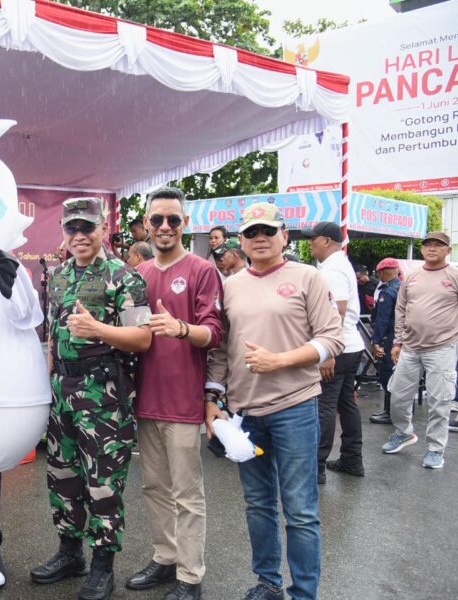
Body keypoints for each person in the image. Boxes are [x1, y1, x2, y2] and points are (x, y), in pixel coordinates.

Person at [205, 202, 343, 600]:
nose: (260, 238)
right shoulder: (230, 286)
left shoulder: (308, 277)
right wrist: (212, 399)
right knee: (258, 505)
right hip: (245, 414)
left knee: (300, 510)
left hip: (295, 407)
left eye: (268, 230)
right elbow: (221, 351)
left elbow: (331, 338)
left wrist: (280, 360)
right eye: (251, 232)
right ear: (241, 240)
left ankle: (304, 593)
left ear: (284, 235)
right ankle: (268, 583)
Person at [31, 197, 151, 600]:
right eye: (72, 228)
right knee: (62, 476)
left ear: (103, 228)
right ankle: (70, 553)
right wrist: (49, 375)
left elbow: (143, 338)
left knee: (102, 483)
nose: (79, 235)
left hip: (103, 396)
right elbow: (53, 333)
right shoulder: (59, 276)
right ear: (63, 232)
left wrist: (98, 329)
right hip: (63, 392)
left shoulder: (124, 277)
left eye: (87, 227)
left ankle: (103, 565)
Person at [126, 188, 222, 600]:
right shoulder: (139, 273)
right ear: (147, 224)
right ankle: (165, 558)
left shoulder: (202, 270)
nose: (165, 227)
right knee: (154, 488)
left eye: (173, 219)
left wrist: (180, 328)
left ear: (185, 224)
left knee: (187, 494)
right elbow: (130, 333)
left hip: (183, 402)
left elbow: (214, 333)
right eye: (157, 219)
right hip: (145, 400)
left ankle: (190, 575)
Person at [382, 231, 458, 469]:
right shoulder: (412, 276)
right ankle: (403, 432)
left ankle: (435, 449)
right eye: (428, 245)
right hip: (410, 347)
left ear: (448, 250)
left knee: (439, 401)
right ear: (422, 249)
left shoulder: (454, 275)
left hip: (442, 348)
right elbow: (401, 309)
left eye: (438, 245)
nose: (432, 248)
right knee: (398, 395)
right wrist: (397, 342)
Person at [302, 221, 365, 482]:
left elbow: (336, 310)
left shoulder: (333, 269)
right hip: (350, 345)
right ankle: (352, 459)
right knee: (345, 403)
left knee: (324, 406)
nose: (310, 243)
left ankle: (316, 466)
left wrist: (327, 352)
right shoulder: (338, 264)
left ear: (327, 241)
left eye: (313, 239)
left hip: (338, 348)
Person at [368, 258, 401, 425]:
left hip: (390, 338)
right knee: (402, 377)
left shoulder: (387, 292)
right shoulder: (403, 288)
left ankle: (390, 412)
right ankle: (401, 412)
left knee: (388, 375)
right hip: (404, 339)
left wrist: (376, 341)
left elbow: (382, 320)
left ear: (380, 272)